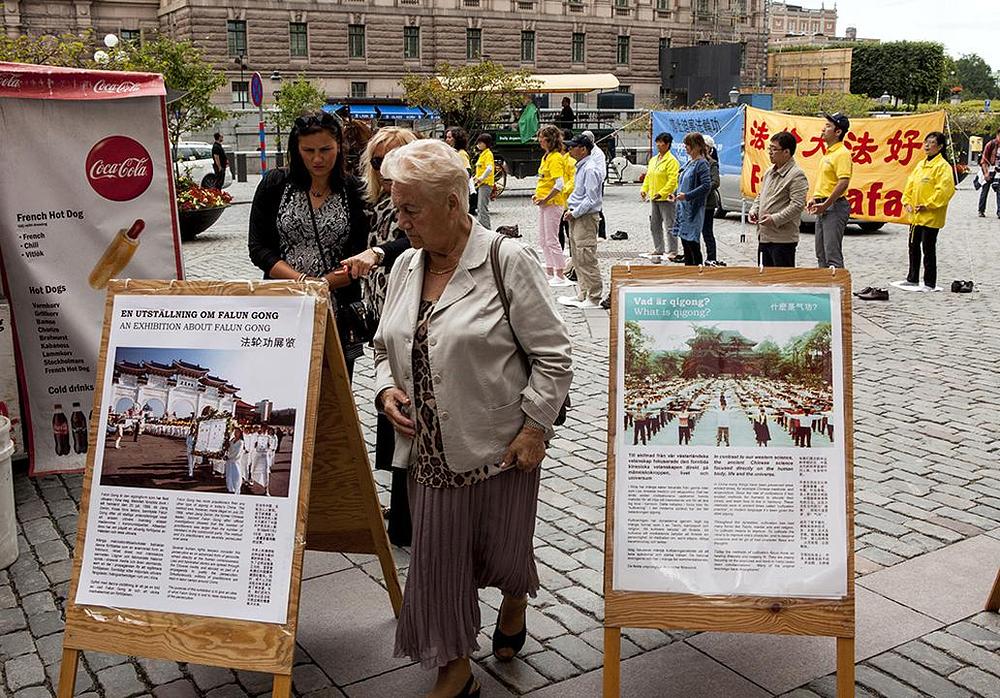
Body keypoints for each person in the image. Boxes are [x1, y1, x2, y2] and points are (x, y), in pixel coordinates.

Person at [375, 139, 572, 698]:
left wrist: (536, 427)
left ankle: (514, 599)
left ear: (455, 204)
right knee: (439, 563)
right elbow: (387, 347)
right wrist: (389, 388)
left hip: (502, 446)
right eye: (396, 205)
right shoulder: (407, 264)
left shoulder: (505, 260)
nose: (400, 220)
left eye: (411, 208)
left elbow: (554, 355)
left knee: (503, 548)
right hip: (430, 453)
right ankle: (454, 667)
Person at [341, 125, 418, 547]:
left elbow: (407, 242)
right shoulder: (374, 204)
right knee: (390, 411)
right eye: (377, 163)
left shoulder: (413, 204)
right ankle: (400, 516)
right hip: (379, 319)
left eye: (395, 161)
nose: (386, 172)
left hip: (410, 317)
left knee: (406, 414)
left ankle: (407, 519)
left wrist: (378, 253)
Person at [248, 110, 370, 372]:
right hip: (283, 303)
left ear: (339, 146)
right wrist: (302, 282)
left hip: (337, 308)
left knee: (334, 393)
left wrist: (324, 284)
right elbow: (258, 247)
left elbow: (362, 252)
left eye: (326, 149)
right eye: (308, 150)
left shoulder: (354, 190)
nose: (317, 158)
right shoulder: (275, 184)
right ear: (296, 149)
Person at [901, 131, 956, 291]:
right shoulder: (921, 164)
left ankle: (929, 282)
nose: (927, 145)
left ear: (939, 147)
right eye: (926, 142)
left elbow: (945, 191)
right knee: (913, 246)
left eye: (931, 142)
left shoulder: (943, 167)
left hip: (931, 216)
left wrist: (928, 204)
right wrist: (907, 202)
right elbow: (910, 185)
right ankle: (912, 278)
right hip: (916, 215)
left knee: (928, 249)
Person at [749, 131, 809, 268]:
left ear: (786, 152)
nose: (770, 152)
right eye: (769, 148)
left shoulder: (796, 175)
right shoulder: (769, 171)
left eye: (774, 149)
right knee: (765, 282)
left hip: (783, 239)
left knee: (782, 284)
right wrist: (754, 210)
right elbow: (761, 195)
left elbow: (798, 205)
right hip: (764, 236)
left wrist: (775, 219)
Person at [558, 134, 604, 309]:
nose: (569, 149)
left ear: (583, 149)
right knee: (577, 257)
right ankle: (583, 293)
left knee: (586, 257)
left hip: (584, 217)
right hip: (576, 215)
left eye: (573, 146)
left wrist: (574, 212)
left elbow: (592, 199)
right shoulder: (582, 167)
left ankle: (593, 296)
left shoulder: (590, 169)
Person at [807, 112, 852, 269]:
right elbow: (826, 182)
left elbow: (843, 182)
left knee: (832, 253)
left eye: (828, 126)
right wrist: (814, 198)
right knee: (821, 253)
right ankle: (825, 289)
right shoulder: (828, 153)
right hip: (823, 206)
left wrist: (825, 204)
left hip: (834, 207)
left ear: (838, 132)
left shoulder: (842, 153)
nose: (823, 129)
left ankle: (838, 291)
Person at [533, 125, 573, 286]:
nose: (539, 140)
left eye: (542, 137)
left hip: (553, 203)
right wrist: (538, 195)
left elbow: (559, 184)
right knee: (543, 239)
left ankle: (560, 273)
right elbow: (545, 181)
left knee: (551, 239)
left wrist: (545, 198)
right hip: (544, 203)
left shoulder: (556, 158)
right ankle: (550, 270)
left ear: (549, 140)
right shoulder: (547, 156)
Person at [670, 133, 712, 266]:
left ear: (698, 146)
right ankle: (688, 270)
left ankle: (696, 271)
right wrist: (675, 194)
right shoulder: (689, 162)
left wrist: (687, 196)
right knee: (685, 243)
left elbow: (706, 186)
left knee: (692, 243)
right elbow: (682, 182)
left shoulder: (702, 164)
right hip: (683, 208)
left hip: (693, 209)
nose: (686, 147)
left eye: (689, 145)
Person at [641, 132, 681, 261]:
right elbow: (648, 176)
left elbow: (672, 181)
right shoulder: (653, 159)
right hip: (654, 198)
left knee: (670, 225)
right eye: (657, 142)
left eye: (661, 142)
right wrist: (644, 189)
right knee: (654, 225)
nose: (658, 145)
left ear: (667, 144)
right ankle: (659, 248)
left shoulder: (672, 161)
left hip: (666, 199)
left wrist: (662, 192)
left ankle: (673, 250)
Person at [445, 126, 475, 216]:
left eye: (450, 137)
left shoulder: (461, 154)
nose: (447, 140)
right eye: (446, 137)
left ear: (457, 139)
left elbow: (467, 171)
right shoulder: (452, 152)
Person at [701, 135, 721, 266]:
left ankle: (711, 257)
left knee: (707, 232)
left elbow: (715, 182)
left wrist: (702, 188)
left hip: (707, 203)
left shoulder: (712, 163)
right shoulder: (693, 162)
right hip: (695, 203)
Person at [472, 133, 495, 229]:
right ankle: (483, 228)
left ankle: (486, 229)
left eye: (481, 143)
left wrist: (481, 177)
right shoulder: (483, 154)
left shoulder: (488, 154)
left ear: (486, 144)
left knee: (482, 208)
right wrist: (476, 177)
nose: (479, 144)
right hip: (481, 184)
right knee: (480, 207)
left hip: (485, 184)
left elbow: (489, 168)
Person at [977, 126, 1000, 218]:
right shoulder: (991, 144)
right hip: (989, 170)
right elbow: (984, 160)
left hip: (998, 172)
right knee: (985, 190)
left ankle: (999, 212)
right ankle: (981, 210)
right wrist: (986, 173)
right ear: (997, 135)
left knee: (999, 191)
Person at [225, 428, 244, 495]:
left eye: (237, 432)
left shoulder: (241, 442)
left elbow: (237, 452)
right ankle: (230, 489)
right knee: (229, 475)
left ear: (240, 433)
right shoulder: (232, 440)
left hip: (236, 461)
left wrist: (229, 456)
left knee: (237, 476)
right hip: (229, 461)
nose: (236, 433)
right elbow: (228, 448)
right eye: (235, 432)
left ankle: (237, 489)